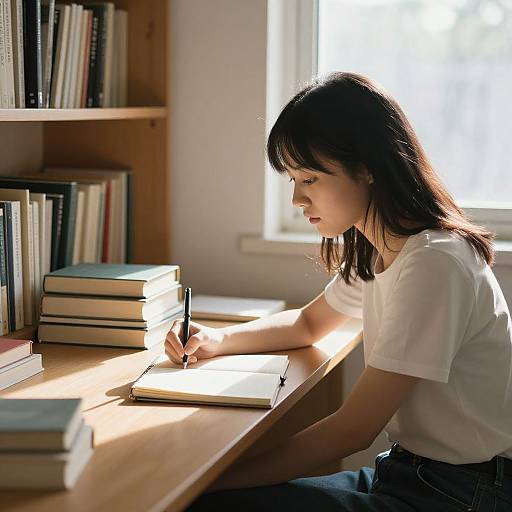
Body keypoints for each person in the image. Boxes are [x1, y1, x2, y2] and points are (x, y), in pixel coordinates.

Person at [165, 72, 512, 511]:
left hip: (465, 492)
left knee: (208, 503)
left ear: (367, 166)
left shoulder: (435, 262)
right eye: (292, 180)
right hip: (410, 473)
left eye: (309, 179)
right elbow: (310, 322)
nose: (296, 199)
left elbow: (353, 431)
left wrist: (212, 479)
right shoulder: (381, 247)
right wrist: (217, 339)